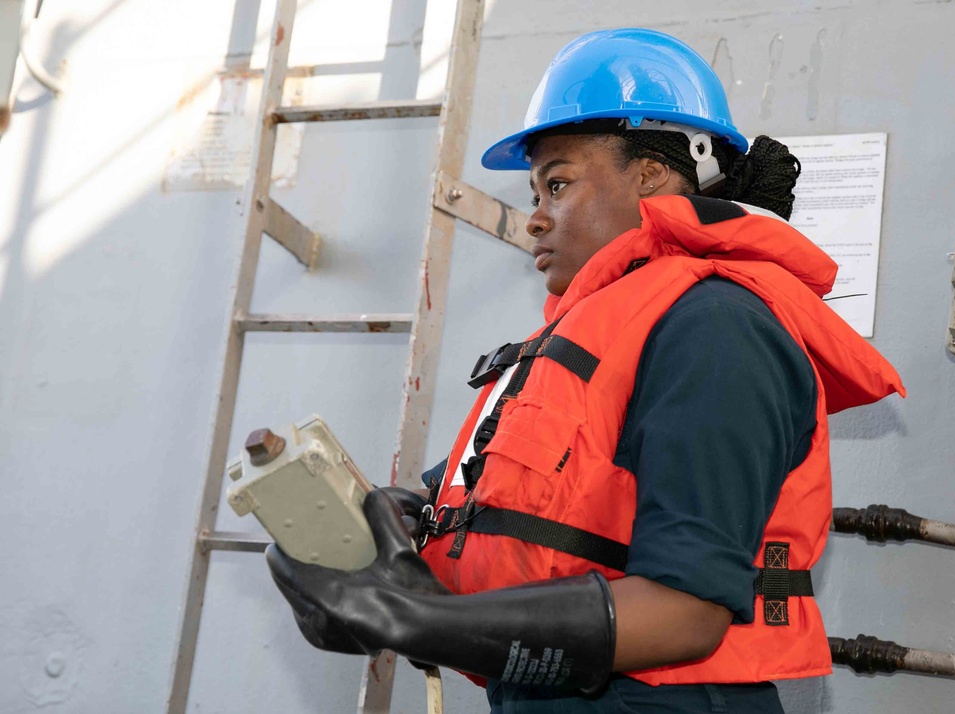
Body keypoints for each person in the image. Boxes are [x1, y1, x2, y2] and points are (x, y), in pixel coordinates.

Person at [266, 28, 905, 713]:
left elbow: (686, 614)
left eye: (557, 184)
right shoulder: (593, 335)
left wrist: (423, 623)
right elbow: (541, 518)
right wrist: (415, 521)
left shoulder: (716, 327)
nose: (535, 220)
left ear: (652, 176)